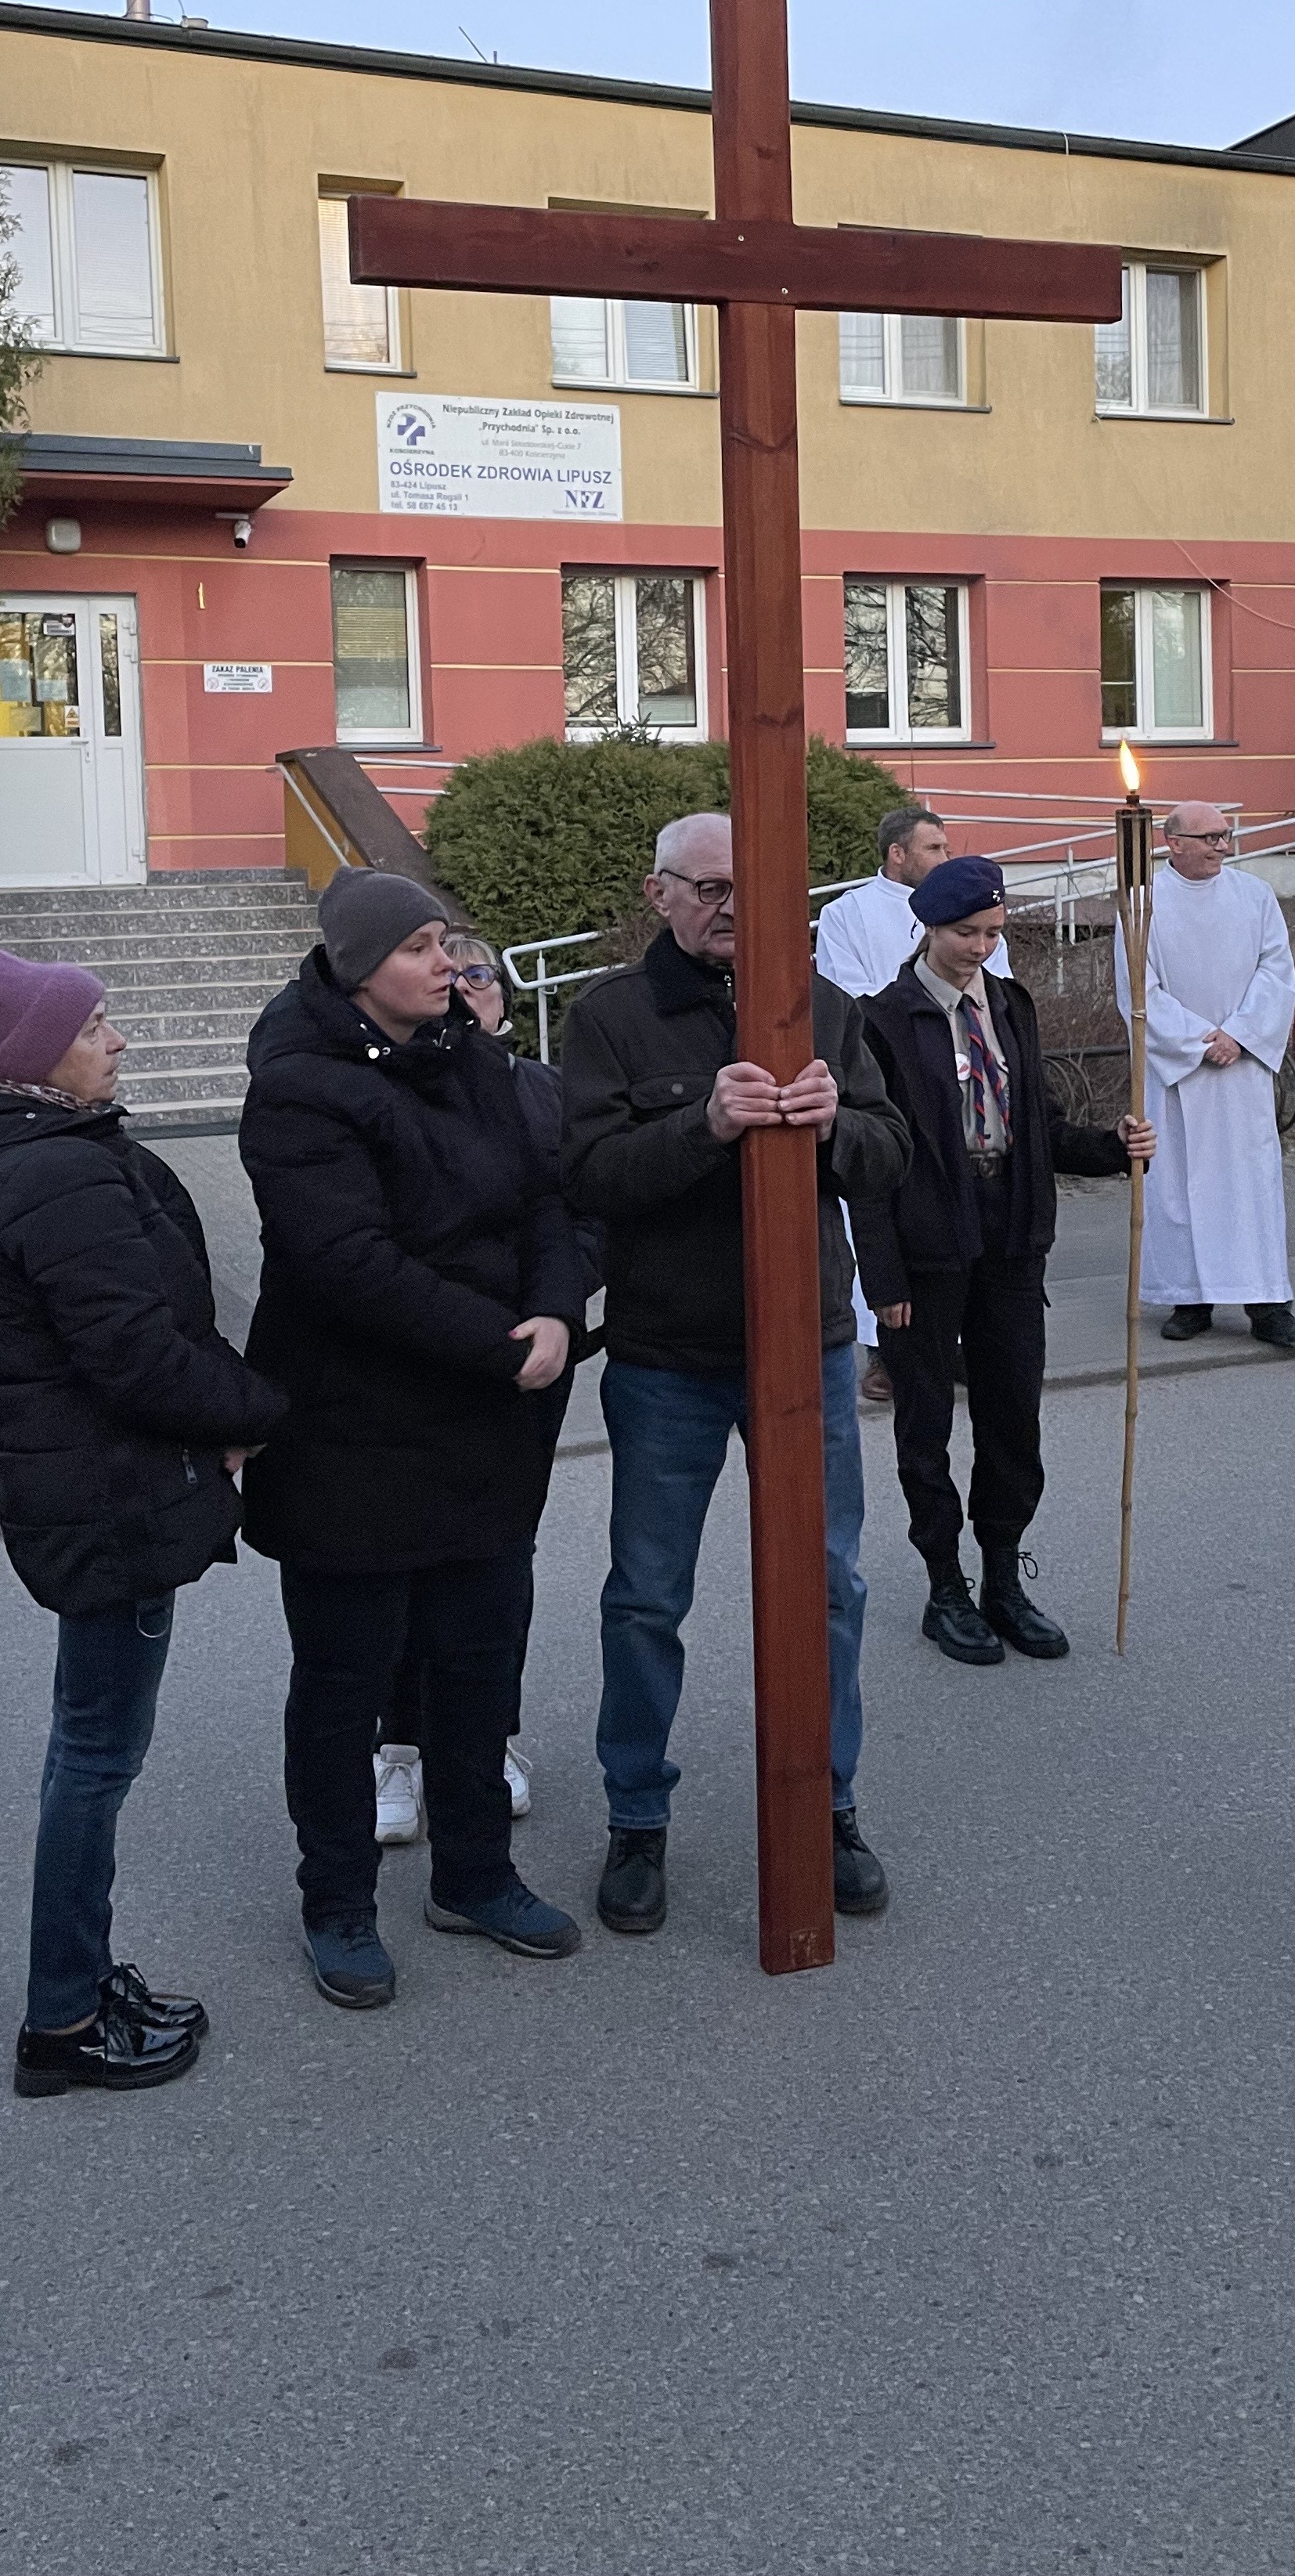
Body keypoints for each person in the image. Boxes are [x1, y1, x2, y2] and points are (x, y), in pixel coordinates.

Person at [0, 947, 284, 2098]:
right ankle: (63, 2018)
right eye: (91, 1029)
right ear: (34, 1058)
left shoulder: (36, 1152)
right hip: (112, 1498)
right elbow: (136, 1354)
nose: (115, 1041)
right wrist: (258, 1414)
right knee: (96, 1754)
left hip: (94, 1488)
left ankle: (78, 1979)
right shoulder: (52, 1176)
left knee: (92, 1747)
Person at [240, 869, 587, 2011]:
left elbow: (545, 1199)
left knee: (477, 1665)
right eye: (424, 948)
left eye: (450, 945)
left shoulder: (470, 1057)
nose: (451, 966)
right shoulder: (298, 1090)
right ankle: (338, 1904)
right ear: (359, 969)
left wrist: (556, 1310)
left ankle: (476, 1877)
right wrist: (500, 1343)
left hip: (483, 1426)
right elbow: (346, 1264)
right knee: (345, 1686)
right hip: (352, 1436)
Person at [560, 811, 911, 1936]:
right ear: (658, 894)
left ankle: (828, 1805)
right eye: (706, 888)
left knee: (830, 1586)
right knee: (647, 1597)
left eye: (748, 887)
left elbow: (890, 1151)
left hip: (807, 1348)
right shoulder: (611, 1018)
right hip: (669, 1356)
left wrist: (835, 1129)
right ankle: (637, 1818)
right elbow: (587, 1176)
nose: (730, 908)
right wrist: (703, 1127)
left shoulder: (826, 1009)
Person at [851, 853, 1154, 1667]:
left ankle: (1002, 1578)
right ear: (928, 928)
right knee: (926, 1424)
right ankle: (944, 1585)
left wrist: (1111, 1148)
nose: (981, 948)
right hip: (928, 1246)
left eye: (992, 932)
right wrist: (882, 1278)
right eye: (965, 933)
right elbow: (868, 1162)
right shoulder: (885, 1020)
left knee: (1013, 1416)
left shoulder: (1011, 1005)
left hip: (1011, 1238)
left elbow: (1039, 1125)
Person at [371, 927, 603, 1848]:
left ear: (502, 996)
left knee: (501, 1558)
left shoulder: (542, 1090)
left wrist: (553, 1309)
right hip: (416, 1355)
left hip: (527, 1356)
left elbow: (584, 1215)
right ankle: (399, 1746)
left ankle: (488, 1735)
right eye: (448, 972)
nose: (465, 986)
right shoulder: (384, 1088)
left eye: (480, 973)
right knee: (403, 1553)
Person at [815, 806, 1008, 1409]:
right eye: (933, 848)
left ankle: (958, 1340)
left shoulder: (968, 908)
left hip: (967, 1070)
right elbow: (843, 992)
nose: (945, 857)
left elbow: (995, 983)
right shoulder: (847, 914)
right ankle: (885, 1349)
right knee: (893, 1210)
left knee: (962, 1202)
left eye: (947, 847)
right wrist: (915, 1022)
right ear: (897, 854)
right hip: (887, 1069)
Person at [1120, 803, 1295, 1350]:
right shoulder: (1143, 905)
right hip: (1179, 1076)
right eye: (1210, 837)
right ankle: (1190, 1299)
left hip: (1241, 1073)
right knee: (1179, 1188)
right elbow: (1139, 989)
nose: (1222, 846)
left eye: (1226, 835)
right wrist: (1198, 1042)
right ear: (1174, 843)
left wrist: (1241, 1035)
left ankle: (1267, 1303)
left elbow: (1277, 972)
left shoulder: (1255, 897)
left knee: (1251, 1190)